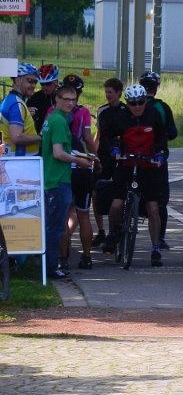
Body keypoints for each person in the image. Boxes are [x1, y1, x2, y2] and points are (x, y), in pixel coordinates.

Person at [101, 84, 167, 267]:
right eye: (133, 103)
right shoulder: (120, 117)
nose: (137, 106)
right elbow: (107, 137)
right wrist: (114, 148)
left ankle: (155, 248)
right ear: (127, 103)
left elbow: (162, 137)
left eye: (141, 102)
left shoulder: (153, 114)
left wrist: (160, 153)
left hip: (149, 165)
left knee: (153, 208)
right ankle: (113, 233)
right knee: (116, 205)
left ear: (145, 100)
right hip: (126, 164)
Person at [41, 85, 93, 280]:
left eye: (73, 100)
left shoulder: (51, 119)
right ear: (57, 99)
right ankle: (51, 268)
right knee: (56, 227)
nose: (71, 103)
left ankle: (49, 266)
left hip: (50, 177)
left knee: (53, 225)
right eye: (66, 99)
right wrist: (78, 160)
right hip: (58, 179)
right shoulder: (59, 121)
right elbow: (58, 153)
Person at [140, 72, 177, 250]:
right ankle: (160, 238)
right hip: (156, 157)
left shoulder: (132, 104)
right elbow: (172, 133)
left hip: (132, 156)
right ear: (156, 88)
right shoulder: (162, 107)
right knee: (160, 199)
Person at [91, 78, 126, 247]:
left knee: (119, 191)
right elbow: (98, 135)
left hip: (121, 155)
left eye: (110, 92)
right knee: (96, 190)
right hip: (104, 155)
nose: (107, 95)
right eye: (106, 92)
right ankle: (101, 230)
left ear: (119, 92)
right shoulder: (102, 111)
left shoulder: (127, 111)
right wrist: (93, 155)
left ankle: (118, 226)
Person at [0, 63, 42, 157]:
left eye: (35, 82)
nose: (33, 85)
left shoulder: (11, 100)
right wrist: (41, 137)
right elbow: (16, 137)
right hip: (19, 161)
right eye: (30, 81)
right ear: (18, 80)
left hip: (13, 159)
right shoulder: (17, 104)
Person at [26, 64, 59, 134]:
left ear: (56, 81)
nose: (44, 87)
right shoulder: (34, 98)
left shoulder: (63, 97)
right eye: (42, 84)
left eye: (48, 84)